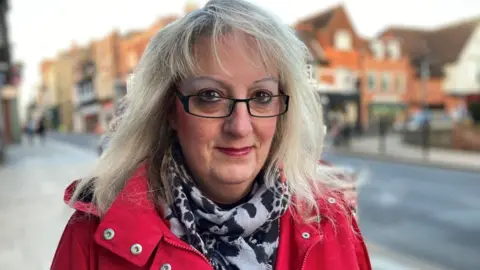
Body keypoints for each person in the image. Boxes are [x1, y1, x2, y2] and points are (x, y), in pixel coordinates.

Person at [51, 0, 371, 269]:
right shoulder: (93, 235)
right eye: (211, 96)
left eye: (261, 96)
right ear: (169, 110)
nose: (240, 126)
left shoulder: (331, 223)